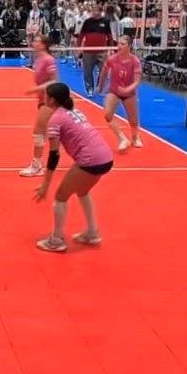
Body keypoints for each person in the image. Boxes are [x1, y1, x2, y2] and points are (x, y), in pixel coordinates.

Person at [32, 82, 114, 253]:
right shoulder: (74, 111)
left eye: (46, 95)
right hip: (105, 156)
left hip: (90, 159)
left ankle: (56, 240)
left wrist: (45, 185)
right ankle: (92, 232)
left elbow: (54, 155)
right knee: (82, 191)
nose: (44, 97)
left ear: (52, 100)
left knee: (60, 197)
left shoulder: (55, 119)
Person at [20, 34, 61, 177]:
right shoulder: (38, 60)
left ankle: (36, 165)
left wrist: (36, 89)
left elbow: (55, 81)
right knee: (48, 133)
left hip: (50, 99)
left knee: (39, 132)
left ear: (43, 45)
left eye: (37, 41)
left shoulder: (49, 60)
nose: (34, 43)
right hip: (42, 98)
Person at [98, 36, 144, 151]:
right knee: (108, 115)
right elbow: (104, 72)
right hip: (114, 91)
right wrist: (100, 86)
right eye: (118, 43)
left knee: (133, 120)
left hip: (129, 93)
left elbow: (137, 81)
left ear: (129, 46)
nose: (119, 46)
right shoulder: (112, 59)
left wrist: (127, 90)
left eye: (123, 44)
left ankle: (135, 137)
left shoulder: (135, 61)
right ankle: (122, 138)